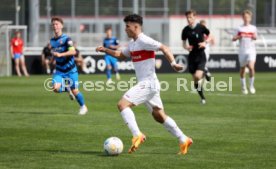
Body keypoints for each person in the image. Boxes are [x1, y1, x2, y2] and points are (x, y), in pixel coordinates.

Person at [96, 14, 193, 155]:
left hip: (148, 83)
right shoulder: (133, 43)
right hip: (149, 84)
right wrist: (105, 50)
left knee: (122, 105)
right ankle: (183, 139)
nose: (125, 29)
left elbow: (164, 47)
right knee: (159, 116)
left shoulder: (144, 40)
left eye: (127, 26)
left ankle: (137, 135)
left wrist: (173, 63)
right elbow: (120, 55)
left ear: (136, 26)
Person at [50, 17, 88, 115]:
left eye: (57, 24)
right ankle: (67, 88)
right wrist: (54, 58)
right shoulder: (52, 41)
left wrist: (60, 55)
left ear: (61, 26)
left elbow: (73, 51)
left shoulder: (67, 39)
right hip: (59, 70)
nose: (55, 26)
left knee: (75, 91)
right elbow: (55, 52)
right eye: (53, 24)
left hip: (71, 70)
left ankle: (83, 107)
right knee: (55, 88)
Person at [181, 10, 211, 104]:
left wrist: (205, 42)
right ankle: (202, 98)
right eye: (187, 17)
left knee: (198, 76)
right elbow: (183, 43)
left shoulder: (201, 27)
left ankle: (204, 71)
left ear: (194, 17)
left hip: (201, 55)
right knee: (195, 80)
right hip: (192, 56)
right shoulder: (185, 30)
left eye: (190, 17)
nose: (189, 19)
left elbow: (210, 36)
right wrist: (186, 47)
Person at [232, 10, 257, 94]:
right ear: (242, 18)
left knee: (251, 67)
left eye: (248, 17)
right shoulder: (239, 28)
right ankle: (243, 87)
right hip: (242, 51)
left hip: (251, 50)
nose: (246, 19)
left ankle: (251, 86)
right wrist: (239, 36)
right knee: (242, 68)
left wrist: (254, 37)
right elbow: (233, 38)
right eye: (245, 17)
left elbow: (256, 37)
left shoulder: (253, 28)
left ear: (250, 18)